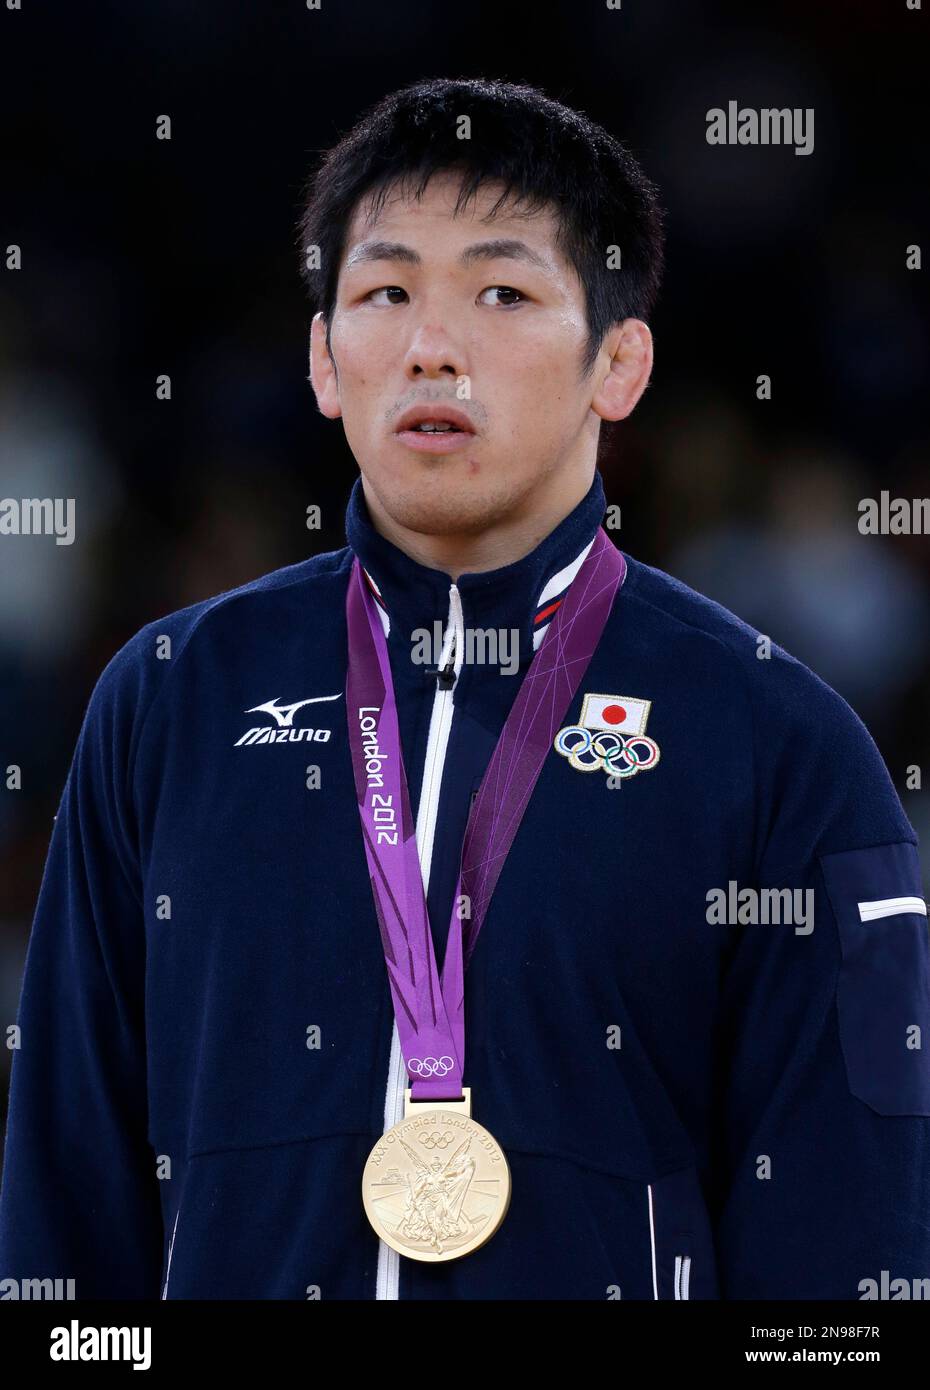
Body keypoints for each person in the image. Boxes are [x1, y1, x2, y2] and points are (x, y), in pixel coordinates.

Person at [1, 76, 928, 1302]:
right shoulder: (171, 703)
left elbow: (849, 1253)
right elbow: (69, 1202)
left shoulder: (783, 743)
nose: (432, 346)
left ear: (621, 362)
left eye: (502, 291)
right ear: (325, 360)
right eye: (385, 293)